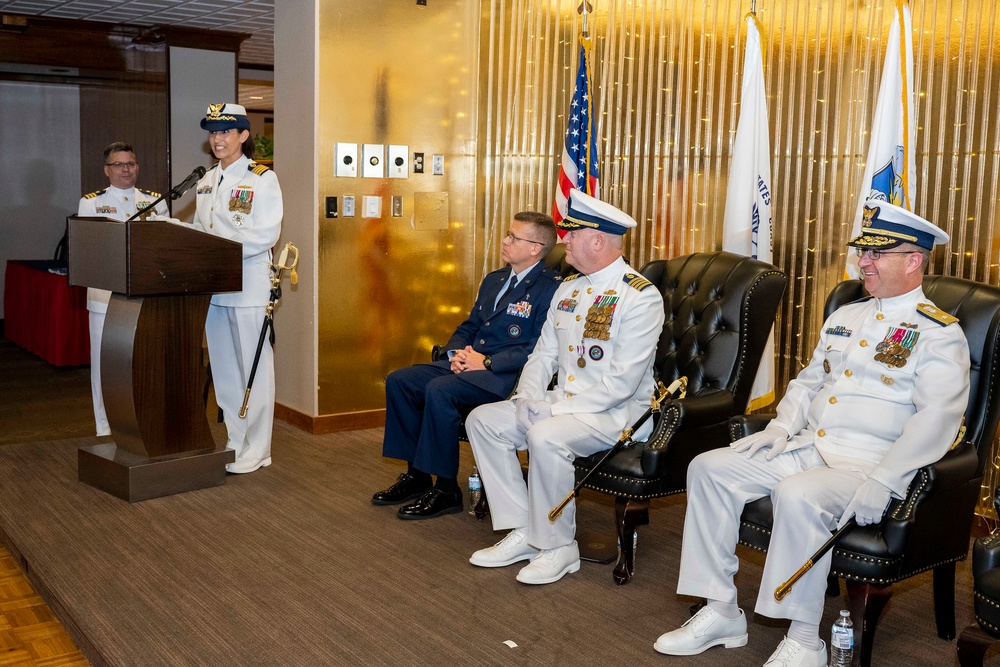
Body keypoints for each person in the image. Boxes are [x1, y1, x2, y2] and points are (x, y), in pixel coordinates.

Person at [653, 200, 970, 667]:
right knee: (709, 468)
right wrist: (781, 426)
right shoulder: (847, 316)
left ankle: (805, 640)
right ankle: (720, 610)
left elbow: (937, 419)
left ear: (914, 260)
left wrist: (885, 480)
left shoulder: (938, 332)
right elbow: (809, 381)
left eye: (877, 254)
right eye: (863, 251)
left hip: (868, 463)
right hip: (810, 446)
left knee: (798, 495)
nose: (863, 261)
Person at [465, 190, 664, 585]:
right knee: (483, 421)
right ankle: (523, 528)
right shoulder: (568, 289)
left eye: (572, 234)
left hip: (617, 413)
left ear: (597, 241)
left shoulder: (639, 297)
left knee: (545, 434)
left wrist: (550, 411)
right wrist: (527, 398)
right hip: (564, 404)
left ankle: (558, 547)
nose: (564, 241)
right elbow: (543, 356)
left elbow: (621, 384)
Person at [373, 212, 561, 519]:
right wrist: (456, 354)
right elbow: (469, 325)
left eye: (514, 237)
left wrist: (486, 362)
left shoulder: (550, 288)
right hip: (468, 364)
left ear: (535, 248)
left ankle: (446, 489)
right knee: (400, 381)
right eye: (508, 234)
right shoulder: (495, 280)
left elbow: (539, 347)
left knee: (439, 391)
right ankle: (417, 476)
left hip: (504, 376)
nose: (505, 240)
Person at [192, 103, 283, 474]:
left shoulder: (262, 179)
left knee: (255, 369)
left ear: (243, 136)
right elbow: (203, 227)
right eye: (213, 132)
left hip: (247, 286)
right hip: (215, 289)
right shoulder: (205, 180)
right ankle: (235, 439)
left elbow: (265, 233)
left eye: (226, 132)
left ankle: (259, 448)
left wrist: (220, 249)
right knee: (227, 369)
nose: (218, 139)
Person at [77, 141, 169, 436]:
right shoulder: (90, 203)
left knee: (142, 363)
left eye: (131, 163)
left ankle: (140, 425)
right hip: (105, 297)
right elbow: (90, 250)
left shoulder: (156, 201)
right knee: (105, 367)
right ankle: (105, 428)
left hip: (143, 296)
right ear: (107, 170)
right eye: (119, 164)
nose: (126, 169)